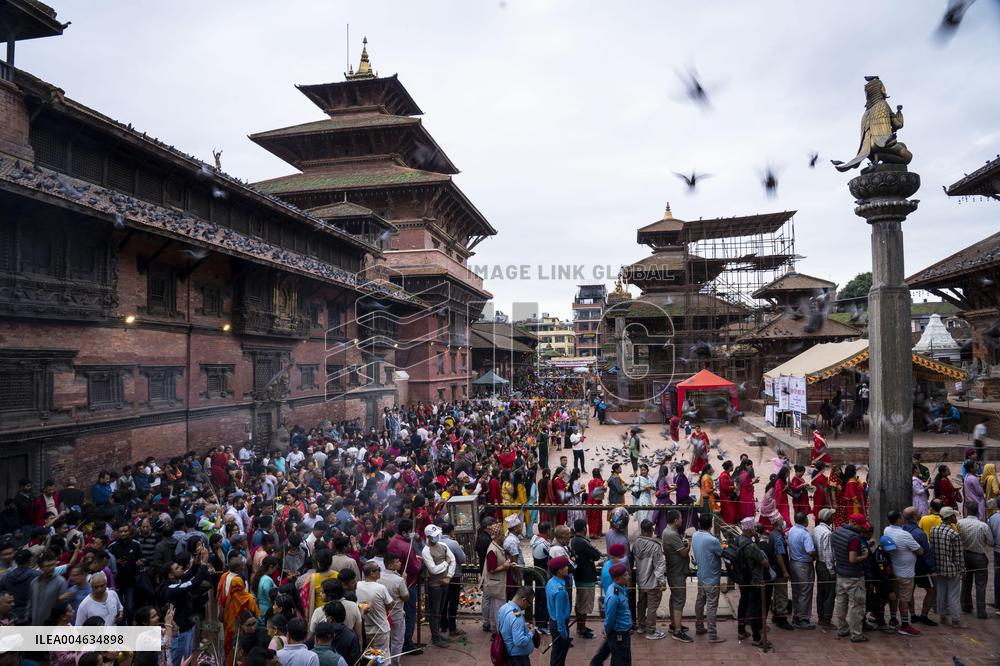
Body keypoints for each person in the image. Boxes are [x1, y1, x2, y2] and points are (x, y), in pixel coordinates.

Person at [732, 517, 771, 649]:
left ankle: (741, 630)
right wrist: (760, 546)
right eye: (753, 527)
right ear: (749, 529)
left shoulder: (738, 540)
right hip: (753, 580)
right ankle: (756, 637)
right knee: (754, 608)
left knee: (743, 603)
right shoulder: (751, 546)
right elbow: (765, 562)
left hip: (742, 578)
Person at [883, 509, 924, 635]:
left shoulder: (887, 530)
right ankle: (905, 625)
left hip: (895, 570)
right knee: (904, 599)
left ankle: (893, 618)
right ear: (898, 520)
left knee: (895, 596)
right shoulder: (905, 535)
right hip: (905, 572)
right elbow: (920, 551)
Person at [831, 512, 869, 642]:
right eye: (860, 525)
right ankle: (856, 634)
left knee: (841, 602)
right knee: (856, 606)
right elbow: (852, 559)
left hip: (840, 573)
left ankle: (842, 628)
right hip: (853, 576)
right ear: (853, 523)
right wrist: (864, 556)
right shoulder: (854, 538)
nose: (862, 528)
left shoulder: (837, 531)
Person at [691, 513, 725, 643]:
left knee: (700, 601)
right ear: (710, 525)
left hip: (701, 575)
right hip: (712, 578)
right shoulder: (712, 540)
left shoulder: (695, 535)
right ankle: (712, 634)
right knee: (711, 606)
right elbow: (721, 553)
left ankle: (699, 626)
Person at [589, 562, 632, 666]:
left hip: (622, 631)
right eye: (625, 575)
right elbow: (610, 617)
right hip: (619, 633)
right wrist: (607, 631)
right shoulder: (614, 596)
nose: (628, 576)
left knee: (618, 658)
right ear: (617, 579)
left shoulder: (619, 589)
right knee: (622, 661)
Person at [957, 499, 994, 619]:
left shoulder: (960, 523)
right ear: (977, 511)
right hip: (979, 556)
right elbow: (990, 542)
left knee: (966, 581)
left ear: (967, 511)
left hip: (965, 554)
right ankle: (981, 611)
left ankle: (966, 605)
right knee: (980, 584)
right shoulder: (982, 525)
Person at [901, 506, 937, 626]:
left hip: (907, 567)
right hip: (921, 567)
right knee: (932, 590)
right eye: (918, 512)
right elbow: (926, 553)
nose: (921, 512)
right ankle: (924, 615)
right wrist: (932, 569)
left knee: (910, 590)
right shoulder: (919, 533)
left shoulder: (902, 530)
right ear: (914, 517)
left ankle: (912, 615)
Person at [421, 524, 456, 648]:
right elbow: (433, 570)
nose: (437, 537)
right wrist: (446, 563)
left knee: (440, 610)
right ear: (429, 537)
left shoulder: (443, 545)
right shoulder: (426, 551)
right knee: (434, 611)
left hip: (444, 582)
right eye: (434, 536)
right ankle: (435, 637)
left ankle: (437, 634)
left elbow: (453, 560)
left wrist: (449, 577)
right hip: (434, 584)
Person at [930, 507, 965, 628]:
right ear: (950, 518)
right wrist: (962, 570)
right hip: (951, 569)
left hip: (939, 568)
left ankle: (943, 617)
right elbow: (959, 555)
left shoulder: (934, 530)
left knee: (941, 593)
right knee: (953, 595)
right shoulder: (953, 534)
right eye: (954, 516)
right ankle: (955, 620)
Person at [660, 510, 692, 642]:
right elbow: (684, 553)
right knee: (679, 600)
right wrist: (689, 542)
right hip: (677, 572)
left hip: (674, 570)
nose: (682, 520)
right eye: (680, 519)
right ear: (675, 521)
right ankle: (677, 631)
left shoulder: (666, 531)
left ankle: (674, 624)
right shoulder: (672, 534)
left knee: (674, 598)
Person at [632, 519, 666, 640]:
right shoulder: (655, 546)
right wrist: (662, 582)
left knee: (641, 604)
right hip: (652, 583)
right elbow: (660, 566)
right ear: (652, 531)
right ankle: (651, 630)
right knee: (652, 607)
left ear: (641, 530)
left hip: (641, 581)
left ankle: (641, 626)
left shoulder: (636, 543)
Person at [570, 518, 601, 640]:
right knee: (584, 603)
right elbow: (596, 555)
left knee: (580, 602)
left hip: (579, 575)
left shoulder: (574, 541)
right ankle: (581, 629)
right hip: (586, 576)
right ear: (584, 528)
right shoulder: (583, 542)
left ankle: (580, 626)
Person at [355, 561, 393, 657]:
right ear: (372, 573)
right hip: (380, 629)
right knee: (382, 657)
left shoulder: (358, 585)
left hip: (365, 629)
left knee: (370, 656)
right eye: (378, 570)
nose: (380, 572)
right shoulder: (380, 588)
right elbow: (390, 605)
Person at [787, 511, 817, 629]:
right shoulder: (805, 534)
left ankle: (797, 615)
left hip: (794, 563)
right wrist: (815, 555)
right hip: (803, 565)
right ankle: (802, 618)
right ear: (805, 521)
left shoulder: (792, 530)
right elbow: (810, 551)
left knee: (797, 591)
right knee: (805, 591)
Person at [439, 523, 466, 639]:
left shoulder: (436, 542)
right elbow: (462, 559)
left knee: (443, 601)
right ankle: (452, 627)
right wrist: (460, 549)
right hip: (453, 575)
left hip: (440, 575)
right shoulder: (453, 543)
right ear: (451, 532)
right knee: (453, 602)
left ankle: (443, 625)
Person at [482, 521, 510, 633]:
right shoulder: (492, 550)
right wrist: (504, 566)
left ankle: (497, 630)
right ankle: (500, 632)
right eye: (502, 535)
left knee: (497, 608)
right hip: (496, 584)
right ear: (498, 536)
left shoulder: (497, 546)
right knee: (499, 609)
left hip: (498, 583)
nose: (504, 536)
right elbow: (491, 569)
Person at [497, 586, 538, 666]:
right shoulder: (517, 617)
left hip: (508, 654)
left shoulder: (504, 607)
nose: (528, 606)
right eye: (529, 603)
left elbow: (506, 627)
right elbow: (520, 641)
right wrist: (531, 633)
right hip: (518, 659)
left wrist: (524, 625)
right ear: (523, 600)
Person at [545, 556, 573, 666]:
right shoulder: (560, 590)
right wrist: (563, 631)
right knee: (560, 655)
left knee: (556, 654)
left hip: (553, 621)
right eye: (565, 567)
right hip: (559, 624)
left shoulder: (551, 582)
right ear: (559, 571)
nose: (567, 568)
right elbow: (559, 613)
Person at [813, 508, 836, 627]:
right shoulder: (827, 533)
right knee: (829, 593)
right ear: (828, 519)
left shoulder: (817, 529)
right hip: (826, 565)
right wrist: (831, 570)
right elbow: (828, 553)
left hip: (819, 564)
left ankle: (821, 616)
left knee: (821, 591)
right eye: (832, 516)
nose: (833, 518)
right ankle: (826, 619)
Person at [586, 470, 606, 538]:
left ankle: (591, 533)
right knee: (597, 517)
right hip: (597, 501)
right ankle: (597, 533)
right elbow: (604, 489)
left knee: (591, 517)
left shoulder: (590, 481)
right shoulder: (599, 481)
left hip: (590, 500)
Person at [718, 461, 738, 525]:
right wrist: (733, 487)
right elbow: (724, 487)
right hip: (725, 496)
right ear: (729, 467)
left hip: (728, 496)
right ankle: (728, 525)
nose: (733, 467)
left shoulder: (727, 474)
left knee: (731, 511)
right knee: (729, 512)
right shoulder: (724, 475)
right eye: (732, 465)